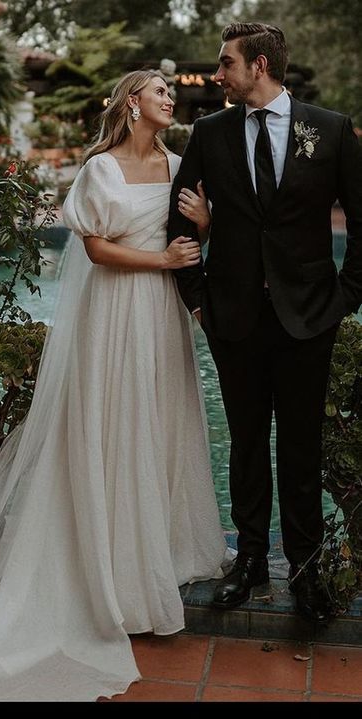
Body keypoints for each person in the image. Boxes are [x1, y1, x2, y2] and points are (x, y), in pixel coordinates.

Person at [0, 70, 232, 702]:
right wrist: (162, 260)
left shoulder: (182, 163)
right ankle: (104, 564)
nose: (169, 100)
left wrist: (205, 226)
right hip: (116, 309)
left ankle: (154, 553)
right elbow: (97, 249)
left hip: (161, 316)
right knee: (110, 424)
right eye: (159, 93)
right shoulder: (99, 169)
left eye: (169, 95)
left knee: (158, 423)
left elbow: (194, 237)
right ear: (133, 103)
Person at [168, 22, 362, 624]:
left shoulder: (328, 130)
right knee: (247, 444)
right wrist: (200, 301)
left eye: (226, 63)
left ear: (258, 66)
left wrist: (345, 297)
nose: (217, 73)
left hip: (309, 318)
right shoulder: (210, 132)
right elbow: (178, 224)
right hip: (235, 319)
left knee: (300, 447)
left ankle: (304, 568)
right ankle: (248, 559)